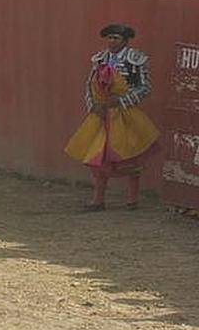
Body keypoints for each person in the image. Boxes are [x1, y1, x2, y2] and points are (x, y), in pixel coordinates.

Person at [65, 25, 160, 212]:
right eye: (109, 38)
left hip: (125, 114)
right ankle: (98, 200)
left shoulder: (136, 60)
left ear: (125, 41)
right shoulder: (100, 59)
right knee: (98, 155)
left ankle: (132, 200)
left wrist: (122, 100)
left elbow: (145, 87)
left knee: (131, 157)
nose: (111, 41)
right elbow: (89, 84)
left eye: (116, 38)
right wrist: (93, 105)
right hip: (102, 114)